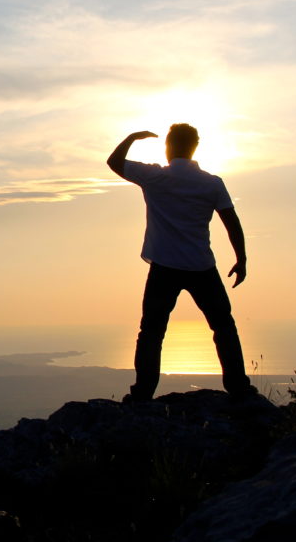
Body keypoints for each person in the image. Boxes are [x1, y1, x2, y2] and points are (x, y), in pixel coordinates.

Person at [107, 124, 256, 401]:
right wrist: (241, 259)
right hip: (202, 266)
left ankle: (142, 393)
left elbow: (114, 162)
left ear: (168, 146)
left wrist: (132, 138)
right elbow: (231, 222)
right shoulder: (212, 183)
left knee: (151, 332)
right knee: (223, 327)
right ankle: (239, 388)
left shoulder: (154, 177)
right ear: (195, 147)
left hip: (164, 267)